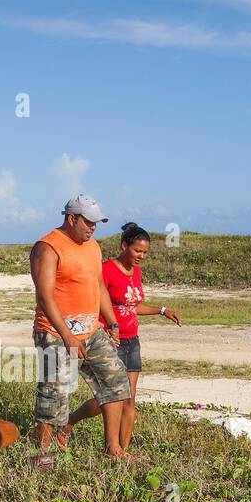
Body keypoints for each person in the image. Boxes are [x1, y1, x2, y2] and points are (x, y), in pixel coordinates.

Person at [57, 221, 182, 452]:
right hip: (108, 340)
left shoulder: (136, 273)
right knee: (108, 398)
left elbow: (133, 306)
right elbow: (94, 301)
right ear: (124, 245)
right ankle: (69, 422)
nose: (141, 256)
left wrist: (162, 311)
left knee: (129, 400)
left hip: (132, 341)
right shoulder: (105, 269)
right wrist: (104, 327)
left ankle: (120, 451)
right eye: (137, 251)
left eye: (145, 252)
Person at [29, 195, 133, 467]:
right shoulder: (48, 247)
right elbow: (46, 297)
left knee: (116, 383)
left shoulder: (93, 247)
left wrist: (111, 323)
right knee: (55, 394)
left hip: (92, 330)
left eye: (97, 223)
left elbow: (98, 286)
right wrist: (67, 336)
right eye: (88, 222)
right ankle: (44, 457)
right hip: (54, 332)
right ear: (71, 218)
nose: (93, 228)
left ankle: (113, 449)